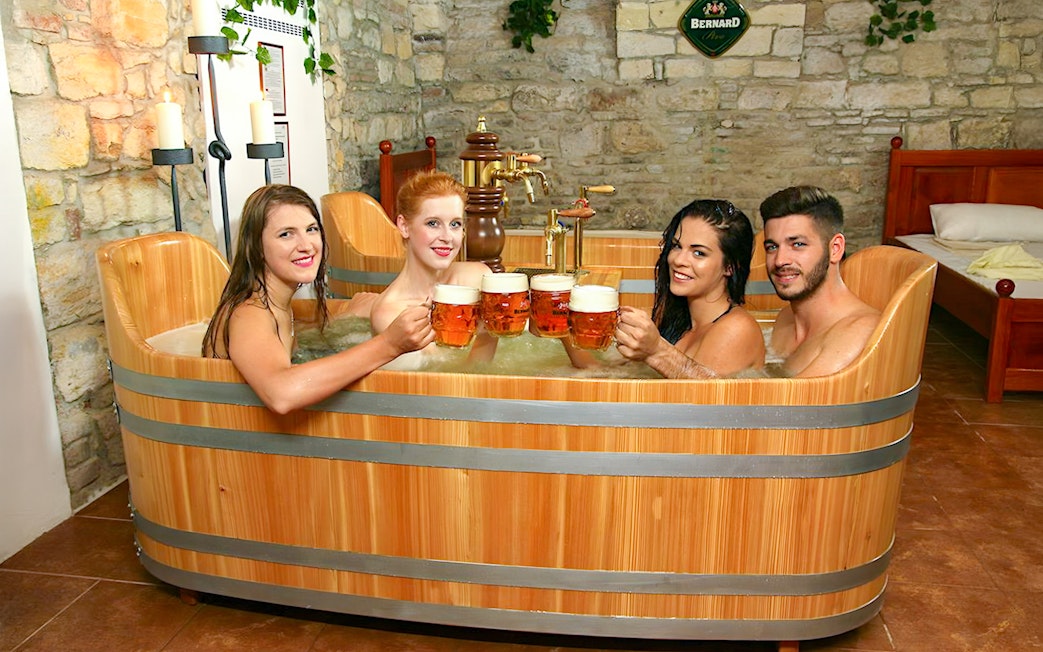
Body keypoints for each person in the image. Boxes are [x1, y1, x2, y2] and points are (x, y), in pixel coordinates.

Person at [201, 184, 433, 414]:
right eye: (286, 234)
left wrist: (346, 316)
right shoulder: (250, 313)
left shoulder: (275, 305)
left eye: (311, 229)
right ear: (257, 247)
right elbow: (282, 393)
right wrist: (390, 344)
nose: (306, 246)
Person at [581, 199, 765, 378]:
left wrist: (656, 351)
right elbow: (601, 373)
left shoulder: (737, 328)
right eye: (677, 246)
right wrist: (564, 322)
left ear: (730, 267)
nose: (678, 260)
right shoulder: (676, 319)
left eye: (698, 253)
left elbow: (712, 400)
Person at [369, 170, 495, 357]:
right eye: (433, 223)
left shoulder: (477, 277)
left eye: (455, 224)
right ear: (404, 226)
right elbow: (445, 379)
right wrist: (488, 337)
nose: (447, 237)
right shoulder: (391, 314)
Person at [759, 185, 880, 377]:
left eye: (797, 244)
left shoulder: (858, 332)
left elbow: (787, 404)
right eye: (772, 247)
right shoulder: (786, 318)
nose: (780, 260)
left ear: (835, 249)